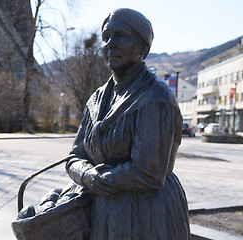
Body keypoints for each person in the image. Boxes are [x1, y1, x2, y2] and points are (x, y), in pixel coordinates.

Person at [65, 8, 190, 239]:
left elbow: (150, 171)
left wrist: (102, 179)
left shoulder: (155, 96)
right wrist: (86, 175)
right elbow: (75, 156)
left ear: (143, 47)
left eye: (121, 35)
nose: (110, 43)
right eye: (106, 37)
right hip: (104, 211)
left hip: (147, 215)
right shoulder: (96, 99)